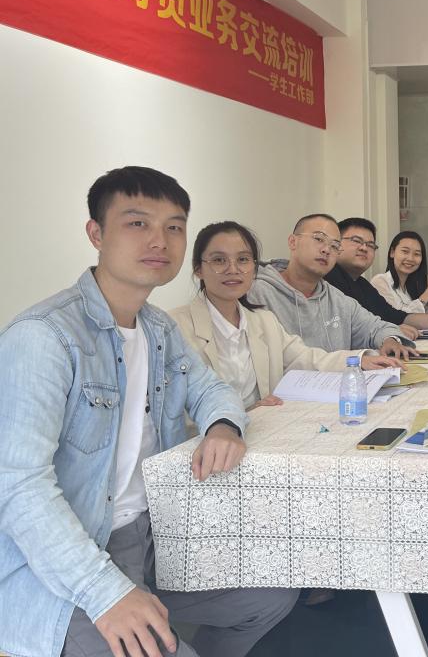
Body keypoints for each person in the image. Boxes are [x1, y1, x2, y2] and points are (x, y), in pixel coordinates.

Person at [0, 167, 297, 657]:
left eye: (174, 227)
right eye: (137, 223)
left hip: (151, 537)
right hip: (62, 564)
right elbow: (17, 487)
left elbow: (212, 389)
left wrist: (224, 425)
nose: (160, 240)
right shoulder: (44, 337)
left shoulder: (157, 329)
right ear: (96, 233)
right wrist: (106, 592)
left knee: (269, 597)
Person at [171, 221, 404, 410]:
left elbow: (306, 358)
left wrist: (360, 360)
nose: (233, 269)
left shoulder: (262, 320)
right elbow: (178, 408)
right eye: (219, 260)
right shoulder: (173, 328)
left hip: (262, 430)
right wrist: (242, 413)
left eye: (243, 259)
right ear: (198, 268)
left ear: (253, 266)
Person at [246, 213, 414, 359]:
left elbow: (377, 327)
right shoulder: (256, 293)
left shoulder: (336, 298)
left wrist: (390, 340)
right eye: (319, 239)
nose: (327, 250)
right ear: (292, 242)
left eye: (334, 246)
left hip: (336, 383)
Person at [324, 218, 428, 333]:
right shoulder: (326, 280)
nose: (364, 248)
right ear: (336, 244)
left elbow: (393, 316)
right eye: (356, 241)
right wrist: (390, 331)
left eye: (370, 245)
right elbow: (357, 328)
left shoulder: (362, 285)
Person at [371, 230, 428, 314]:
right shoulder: (380, 281)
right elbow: (395, 317)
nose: (410, 258)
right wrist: (426, 296)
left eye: (417, 254)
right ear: (392, 252)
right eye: (405, 251)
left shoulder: (415, 285)